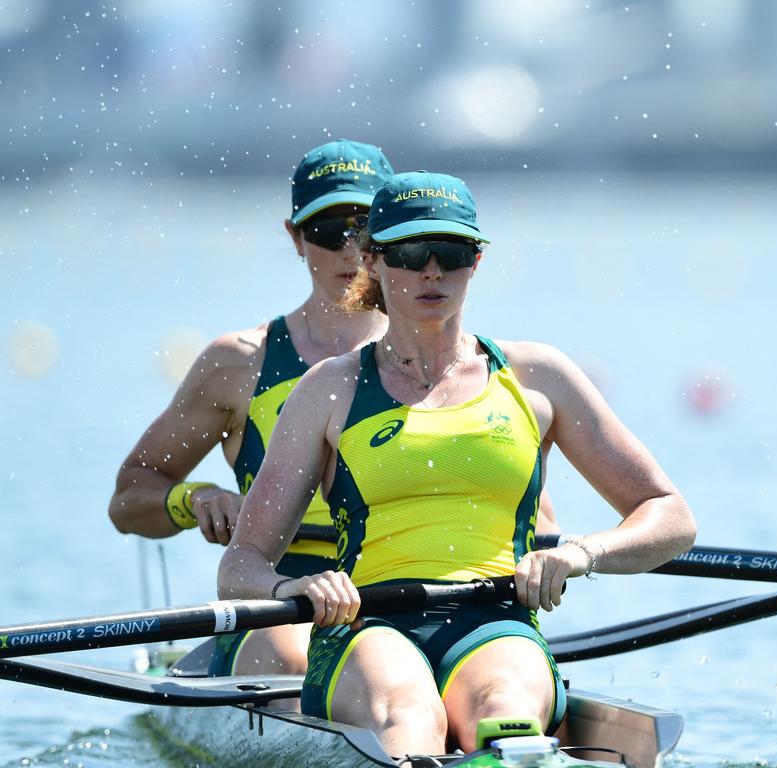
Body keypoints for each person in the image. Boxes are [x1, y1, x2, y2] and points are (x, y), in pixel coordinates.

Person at [218, 170, 697, 754]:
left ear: (478, 261)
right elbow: (240, 564)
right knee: (411, 718)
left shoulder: (538, 378)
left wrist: (580, 554)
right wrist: (294, 583)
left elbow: (670, 515)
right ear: (372, 261)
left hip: (495, 618)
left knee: (505, 712)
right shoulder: (329, 391)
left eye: (450, 252)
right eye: (411, 252)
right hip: (367, 624)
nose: (432, 271)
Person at [109, 138, 395, 677]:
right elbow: (129, 497)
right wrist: (193, 500)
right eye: (328, 231)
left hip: (409, 590)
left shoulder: (449, 363)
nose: (349, 250)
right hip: (281, 602)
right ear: (295, 238)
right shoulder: (239, 364)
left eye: (365, 228)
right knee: (293, 665)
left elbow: (534, 518)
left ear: (393, 237)